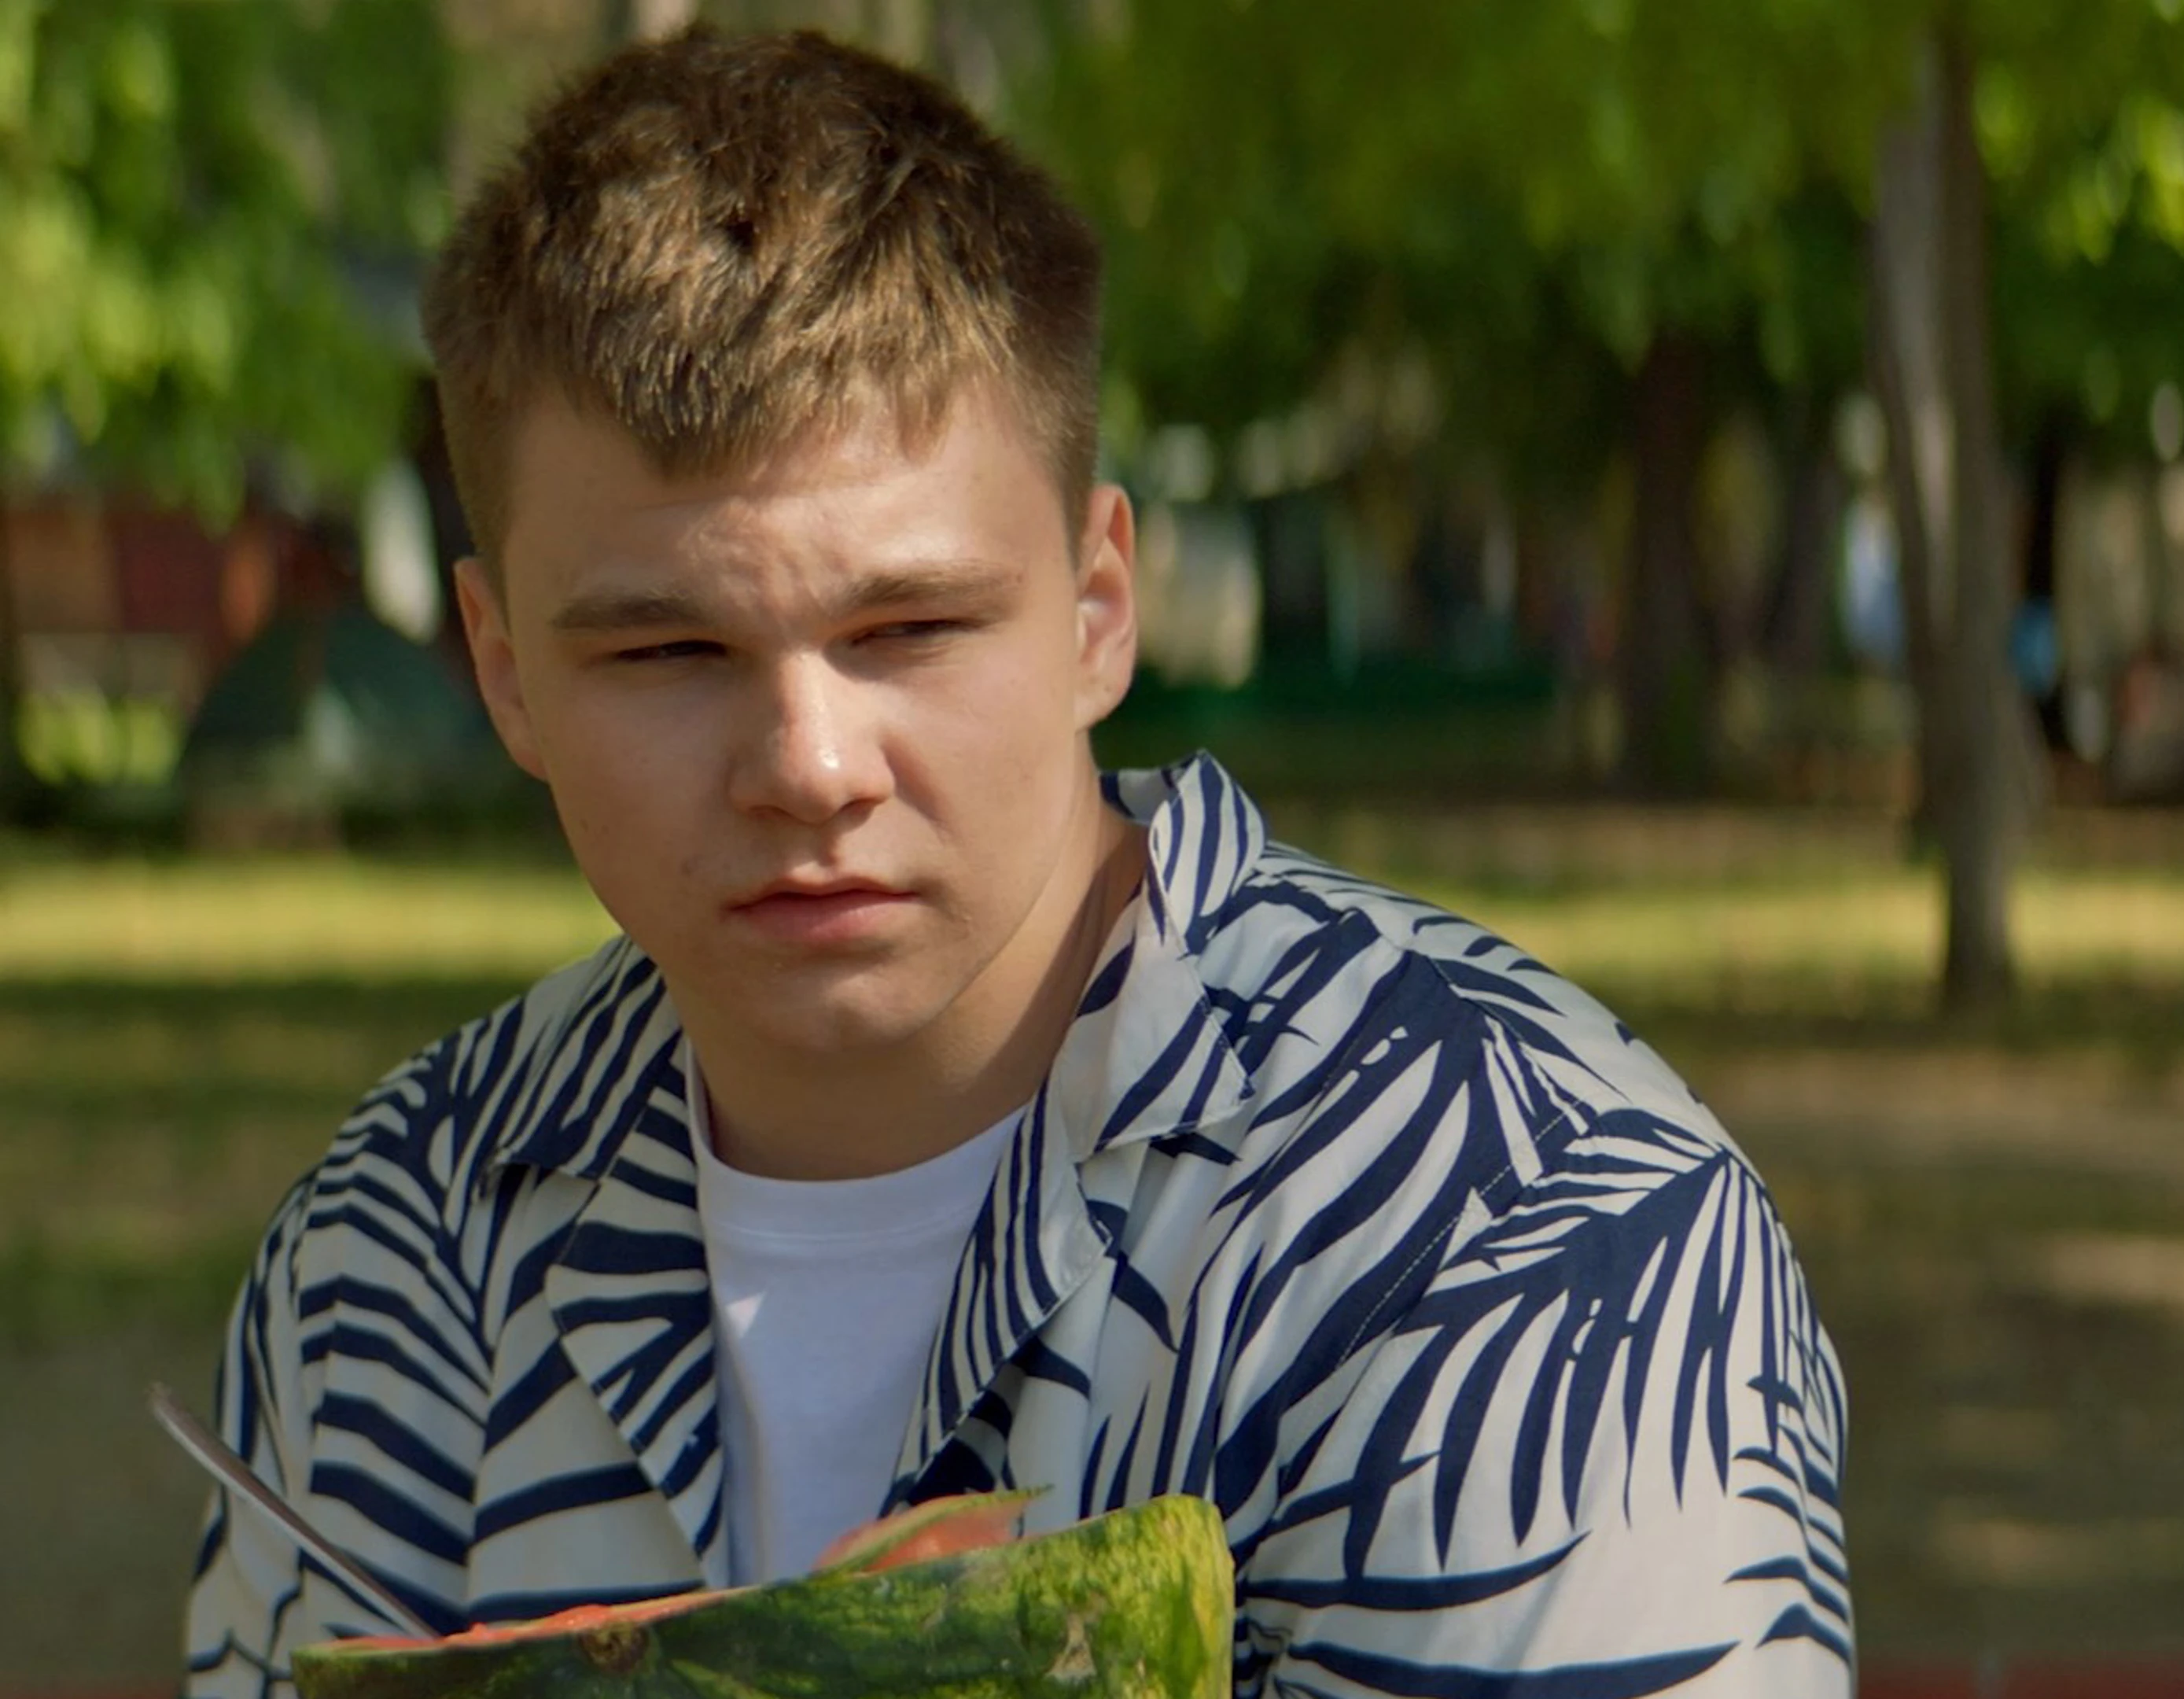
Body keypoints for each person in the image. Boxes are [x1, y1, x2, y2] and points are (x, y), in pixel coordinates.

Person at [183, 28, 1851, 1697]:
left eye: (908, 628)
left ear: (1097, 610)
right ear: (500, 671)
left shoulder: (1524, 1226)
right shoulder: (387, 1252)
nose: (807, 768)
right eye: (667, 652)